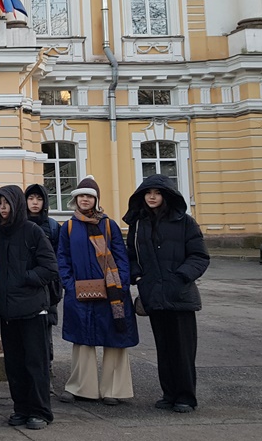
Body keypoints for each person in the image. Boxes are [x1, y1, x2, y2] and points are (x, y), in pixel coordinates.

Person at [123, 174, 210, 413]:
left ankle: (185, 396)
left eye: (157, 192)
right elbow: (131, 254)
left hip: (180, 295)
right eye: (148, 193)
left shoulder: (185, 222)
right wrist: (138, 276)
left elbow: (199, 256)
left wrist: (181, 276)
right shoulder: (138, 223)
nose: (152, 197)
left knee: (182, 348)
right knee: (164, 347)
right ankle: (169, 393)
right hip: (153, 293)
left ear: (166, 195)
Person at [57, 176, 139, 405]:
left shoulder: (108, 225)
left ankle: (114, 390)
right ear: (75, 199)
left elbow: (121, 256)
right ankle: (81, 387)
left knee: (114, 340)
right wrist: (70, 285)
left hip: (111, 292)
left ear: (96, 200)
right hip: (80, 292)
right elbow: (62, 258)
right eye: (81, 195)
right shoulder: (69, 227)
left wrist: (119, 284)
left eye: (89, 196)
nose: (85, 199)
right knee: (82, 340)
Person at [0, 185, 58, 430]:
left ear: (16, 204)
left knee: (35, 363)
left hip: (32, 310)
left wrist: (24, 278)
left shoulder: (33, 231)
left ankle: (40, 411)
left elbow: (49, 268)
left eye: (7, 203)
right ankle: (21, 408)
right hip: (7, 312)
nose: (3, 208)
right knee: (14, 364)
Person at [25, 183, 63, 389]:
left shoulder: (53, 226)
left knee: (46, 325)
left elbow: (59, 256)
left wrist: (58, 281)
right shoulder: (19, 223)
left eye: (39, 199)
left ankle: (47, 365)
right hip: (26, 284)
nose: (35, 203)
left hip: (48, 285)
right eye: (31, 199)